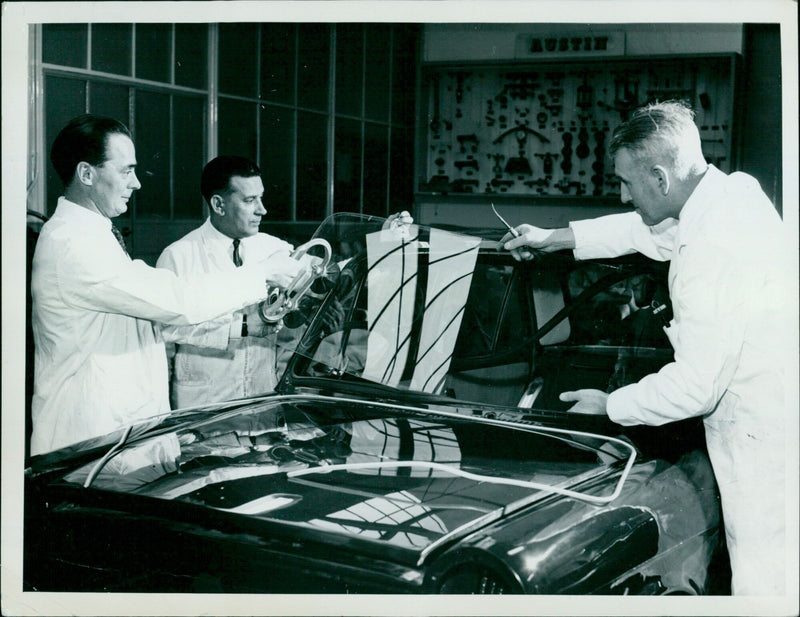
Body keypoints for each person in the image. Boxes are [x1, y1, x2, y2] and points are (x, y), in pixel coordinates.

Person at [498, 100, 793, 596]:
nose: (622, 193)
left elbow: (695, 386)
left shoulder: (711, 249)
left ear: (660, 178)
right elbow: (646, 231)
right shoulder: (731, 193)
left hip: (759, 442)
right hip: (778, 414)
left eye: (627, 183)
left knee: (764, 582)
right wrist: (554, 238)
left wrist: (612, 403)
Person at [30, 115, 302, 455]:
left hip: (124, 432)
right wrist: (261, 273)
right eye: (126, 171)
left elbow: (157, 320)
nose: (137, 183)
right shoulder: (73, 244)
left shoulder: (94, 236)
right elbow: (177, 300)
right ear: (87, 174)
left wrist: (246, 325)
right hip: (92, 439)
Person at [157, 155, 414, 408]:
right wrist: (243, 326)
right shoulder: (179, 256)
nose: (262, 209)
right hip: (203, 402)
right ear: (218, 204)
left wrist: (381, 242)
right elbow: (168, 332)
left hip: (262, 396)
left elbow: (327, 274)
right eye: (249, 200)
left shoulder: (273, 248)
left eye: (261, 197)